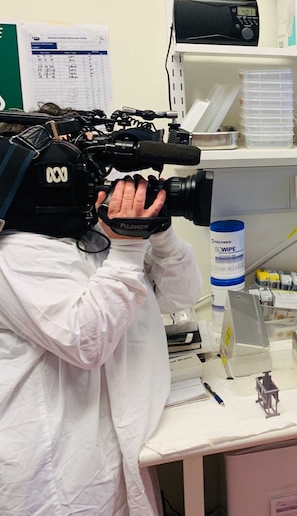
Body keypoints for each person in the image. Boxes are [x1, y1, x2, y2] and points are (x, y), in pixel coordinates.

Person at [0, 171, 202, 514]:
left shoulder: (93, 232)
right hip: (56, 461)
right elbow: (85, 342)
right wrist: (127, 247)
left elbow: (180, 297)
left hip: (120, 434)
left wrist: (161, 235)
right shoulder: (15, 253)